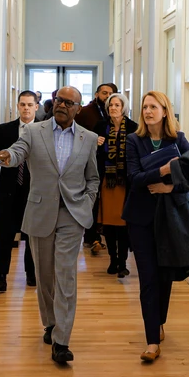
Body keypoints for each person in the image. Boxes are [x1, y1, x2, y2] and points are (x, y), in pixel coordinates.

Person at [0, 86, 99, 364]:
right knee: (45, 275)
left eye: (69, 102)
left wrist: (86, 202)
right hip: (40, 212)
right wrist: (7, 157)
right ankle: (50, 322)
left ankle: (62, 340)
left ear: (78, 107)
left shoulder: (88, 139)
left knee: (66, 275)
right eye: (58, 100)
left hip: (72, 215)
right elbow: (18, 151)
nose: (62, 105)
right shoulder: (33, 131)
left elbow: (93, 178)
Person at [122, 91, 189, 363]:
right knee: (148, 278)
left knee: (164, 277)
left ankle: (158, 321)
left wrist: (171, 185)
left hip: (170, 219)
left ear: (165, 110)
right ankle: (152, 341)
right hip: (140, 220)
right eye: (144, 107)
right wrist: (163, 171)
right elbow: (134, 178)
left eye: (153, 106)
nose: (147, 111)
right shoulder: (134, 140)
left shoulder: (178, 139)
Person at [0, 90, 39, 292]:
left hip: (34, 191)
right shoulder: (5, 129)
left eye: (29, 105)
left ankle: (32, 274)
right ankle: (1, 276)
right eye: (22, 104)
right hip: (8, 189)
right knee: (5, 234)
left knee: (32, 234)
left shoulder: (43, 130)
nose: (25, 108)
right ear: (18, 106)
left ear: (36, 107)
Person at [94, 93, 137, 277]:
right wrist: (95, 144)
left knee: (124, 223)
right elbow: (90, 154)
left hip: (126, 182)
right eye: (111, 105)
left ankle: (123, 263)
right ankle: (112, 260)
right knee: (110, 224)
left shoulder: (134, 128)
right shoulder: (100, 127)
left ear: (123, 107)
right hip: (107, 182)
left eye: (117, 105)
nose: (113, 108)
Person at [76, 83, 114, 255]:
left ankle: (101, 234)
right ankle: (90, 236)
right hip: (87, 160)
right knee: (91, 198)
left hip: (109, 163)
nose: (107, 96)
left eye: (110, 93)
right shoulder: (85, 112)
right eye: (104, 93)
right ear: (97, 94)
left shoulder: (114, 112)